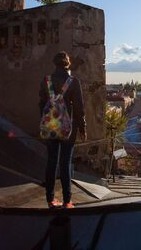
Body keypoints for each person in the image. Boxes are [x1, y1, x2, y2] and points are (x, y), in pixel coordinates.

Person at [39, 51, 87, 209]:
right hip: (68, 128)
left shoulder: (46, 81)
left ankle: (50, 200)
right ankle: (67, 201)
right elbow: (79, 108)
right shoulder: (73, 82)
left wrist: (46, 123)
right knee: (65, 163)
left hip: (51, 126)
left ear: (54, 63)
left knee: (51, 162)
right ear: (68, 64)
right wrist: (82, 128)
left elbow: (41, 105)